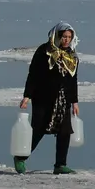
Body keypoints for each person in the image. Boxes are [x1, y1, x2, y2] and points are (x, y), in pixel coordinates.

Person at [16, 22, 79, 175]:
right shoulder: (44, 51)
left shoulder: (71, 55)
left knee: (64, 131)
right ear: (57, 35)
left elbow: (72, 79)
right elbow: (33, 74)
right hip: (43, 97)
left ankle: (60, 165)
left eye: (69, 37)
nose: (66, 40)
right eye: (64, 36)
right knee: (38, 129)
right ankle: (20, 157)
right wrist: (27, 96)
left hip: (62, 99)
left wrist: (74, 101)